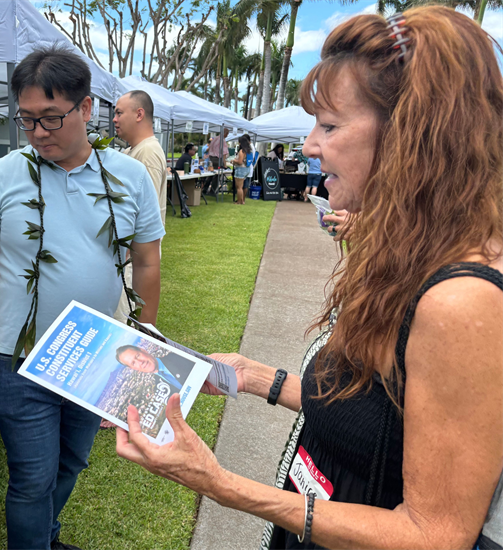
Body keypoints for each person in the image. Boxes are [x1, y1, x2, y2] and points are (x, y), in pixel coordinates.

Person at [116, 7, 503, 550]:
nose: (308, 146)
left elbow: (435, 534)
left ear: (413, 135)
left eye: (330, 125)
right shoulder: (408, 251)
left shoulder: (464, 299)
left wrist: (220, 484)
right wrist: (255, 377)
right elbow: (375, 416)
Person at [0, 45, 165, 550]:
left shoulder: (129, 176)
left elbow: (146, 262)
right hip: (21, 355)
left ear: (86, 108)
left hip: (95, 351)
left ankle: (45, 537)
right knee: (31, 477)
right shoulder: (1, 177)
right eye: (27, 120)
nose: (37, 134)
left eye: (51, 119)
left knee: (72, 460)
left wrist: (142, 342)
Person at [113, 90, 168, 226]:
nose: (114, 119)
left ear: (139, 115)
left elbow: (147, 216)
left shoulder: (148, 152)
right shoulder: (130, 151)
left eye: (119, 113)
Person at [116, 345, 195, 390]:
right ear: (134, 369)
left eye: (137, 356)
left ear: (143, 350)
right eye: (133, 363)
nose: (140, 362)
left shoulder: (177, 357)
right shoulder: (158, 386)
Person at [232, 135, 252, 205]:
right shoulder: (248, 150)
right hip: (247, 168)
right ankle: (242, 200)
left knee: (239, 187)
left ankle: (239, 201)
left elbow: (240, 162)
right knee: (242, 186)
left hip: (240, 169)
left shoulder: (241, 151)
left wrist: (234, 161)